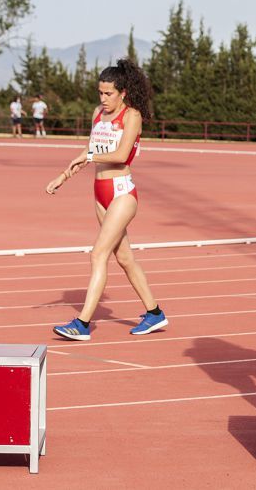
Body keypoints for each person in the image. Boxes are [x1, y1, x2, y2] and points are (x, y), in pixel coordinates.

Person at [45, 59, 167, 340]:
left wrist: (88, 156)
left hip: (122, 192)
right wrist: (62, 176)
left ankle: (82, 324)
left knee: (98, 254)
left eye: (109, 93)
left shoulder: (132, 116)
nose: (103, 98)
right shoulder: (97, 115)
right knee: (124, 258)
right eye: (100, 93)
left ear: (122, 92)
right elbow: (89, 150)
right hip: (100, 193)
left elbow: (120, 155)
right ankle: (154, 313)